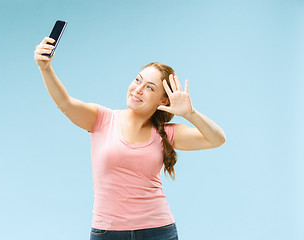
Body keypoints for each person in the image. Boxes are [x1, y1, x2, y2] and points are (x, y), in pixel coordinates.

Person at [34, 37, 226, 240]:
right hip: (107, 232)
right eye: (137, 80)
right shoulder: (102, 119)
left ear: (163, 100)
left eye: (150, 87)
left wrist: (190, 113)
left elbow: (217, 139)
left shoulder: (166, 133)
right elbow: (65, 103)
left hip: (159, 231)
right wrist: (45, 68)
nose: (138, 89)